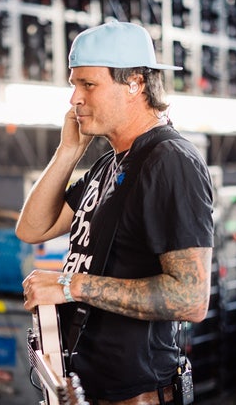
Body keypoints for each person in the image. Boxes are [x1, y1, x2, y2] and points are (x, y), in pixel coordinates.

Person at [16, 21, 214, 404]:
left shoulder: (170, 161)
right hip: (90, 388)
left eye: (88, 85)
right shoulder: (109, 165)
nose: (75, 99)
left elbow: (191, 298)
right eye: (73, 85)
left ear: (134, 84)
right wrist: (68, 152)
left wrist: (69, 285)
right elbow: (32, 228)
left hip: (137, 396)